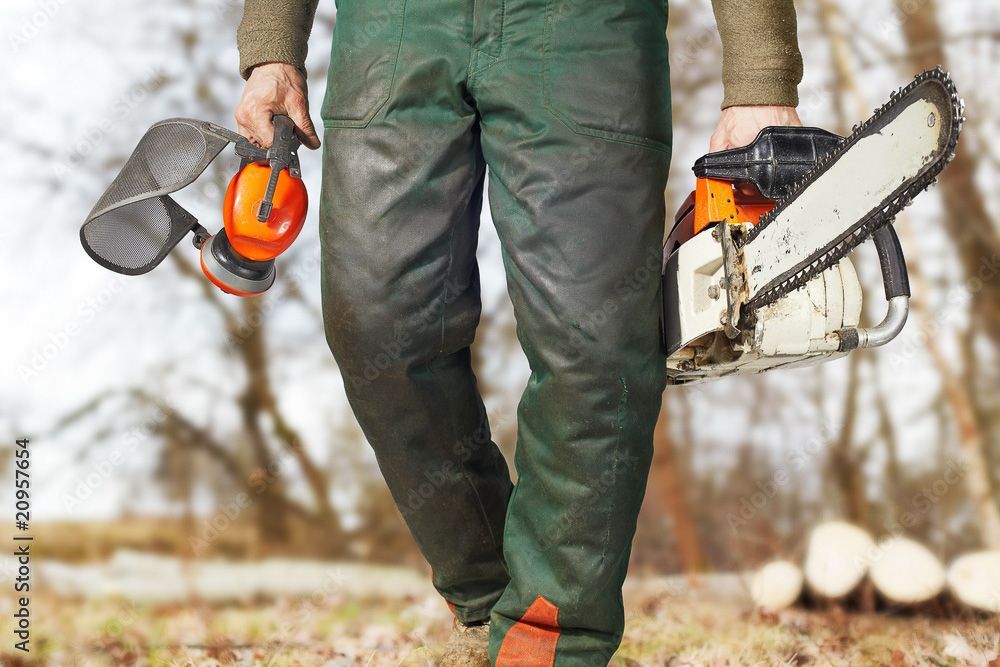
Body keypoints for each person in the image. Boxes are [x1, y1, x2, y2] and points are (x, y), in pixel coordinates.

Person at [235, 0, 802, 663]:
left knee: (594, 344)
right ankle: (487, 587)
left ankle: (554, 635)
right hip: (394, 29)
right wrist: (272, 45)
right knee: (376, 325)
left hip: (586, 32)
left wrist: (761, 72)